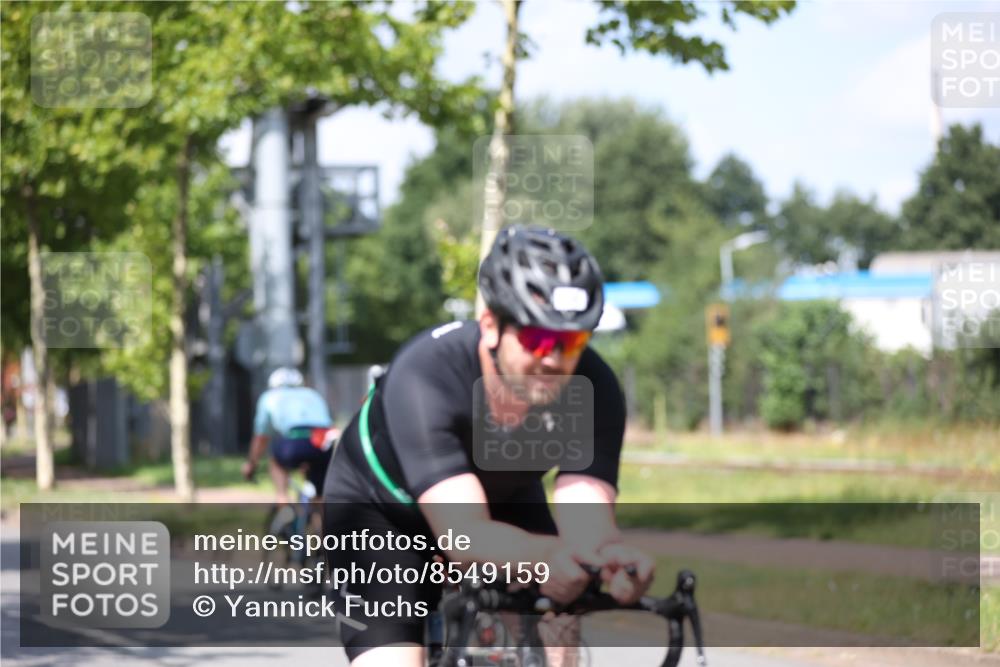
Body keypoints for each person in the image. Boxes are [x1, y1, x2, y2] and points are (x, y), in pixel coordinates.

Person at [323, 226, 655, 667]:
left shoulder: (594, 387)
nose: (553, 359)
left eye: (571, 341)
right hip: (382, 512)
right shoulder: (427, 374)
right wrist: (549, 556)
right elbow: (463, 536)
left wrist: (609, 561)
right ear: (491, 327)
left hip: (502, 499)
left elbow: (586, 518)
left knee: (561, 630)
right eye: (536, 339)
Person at [243, 367, 338, 504]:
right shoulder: (313, 394)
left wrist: (252, 464)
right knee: (319, 493)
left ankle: (283, 499)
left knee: (276, 462)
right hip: (323, 441)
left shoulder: (269, 396)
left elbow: (261, 438)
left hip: (294, 442)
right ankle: (318, 510)